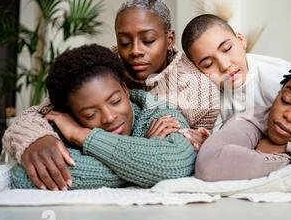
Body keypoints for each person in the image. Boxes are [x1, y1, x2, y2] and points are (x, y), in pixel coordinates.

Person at [3, 0, 218, 190]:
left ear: (169, 40)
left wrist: (83, 136)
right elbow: (38, 116)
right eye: (124, 42)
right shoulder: (103, 70)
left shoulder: (195, 91)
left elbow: (182, 159)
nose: (135, 51)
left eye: (148, 41)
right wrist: (38, 139)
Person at [10, 44, 196, 190]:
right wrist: (146, 159)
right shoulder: (59, 126)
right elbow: (24, 175)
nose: (109, 117)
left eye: (115, 101)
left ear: (125, 90)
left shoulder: (159, 112)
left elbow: (178, 162)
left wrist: (82, 135)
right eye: (90, 114)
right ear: (71, 115)